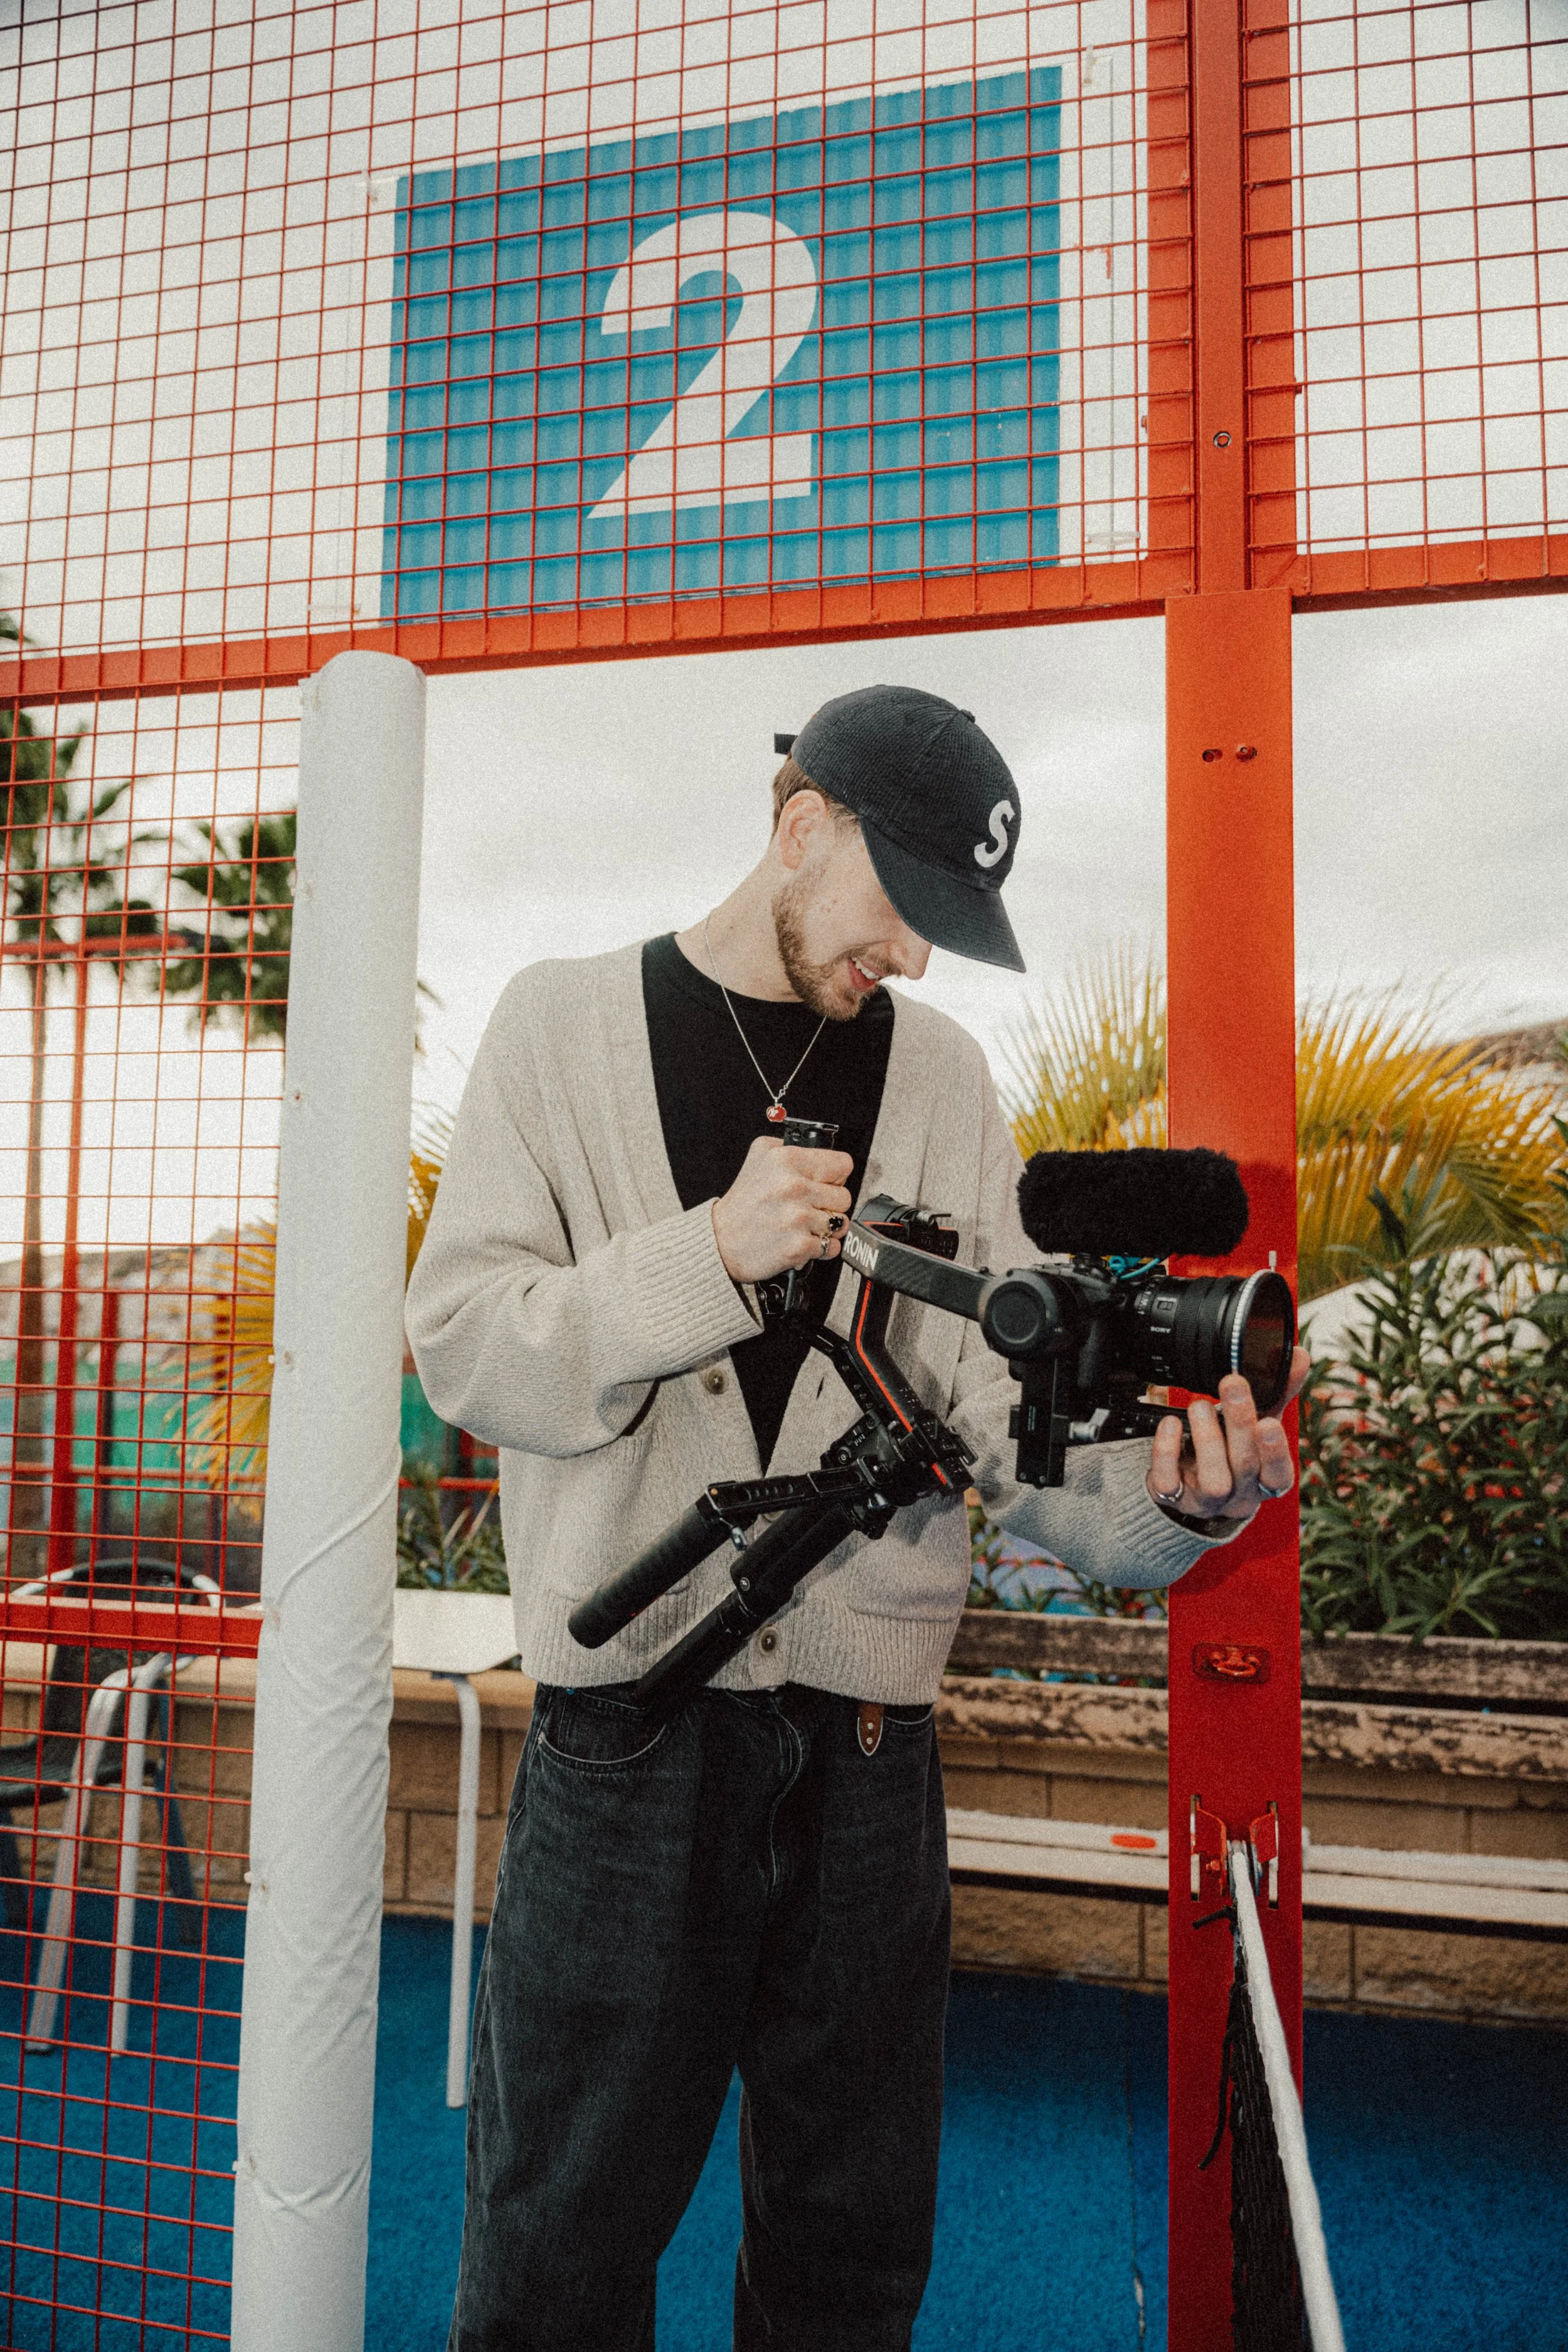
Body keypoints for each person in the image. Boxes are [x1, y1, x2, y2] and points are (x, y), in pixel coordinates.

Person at [406, 683, 1309, 2352]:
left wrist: (1188, 1505)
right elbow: (470, 1350)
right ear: (801, 823)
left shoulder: (945, 1076)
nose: (910, 957)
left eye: (947, 927)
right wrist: (710, 1256)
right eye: (905, 907)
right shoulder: (555, 1024)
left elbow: (1014, 1435)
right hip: (627, 1738)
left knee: (849, 2251)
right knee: (555, 2243)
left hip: (874, 1760)